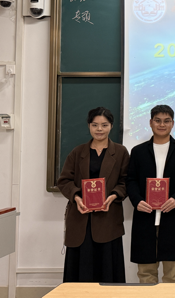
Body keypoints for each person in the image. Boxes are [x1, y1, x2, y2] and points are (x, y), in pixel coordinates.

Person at [57, 106, 129, 283]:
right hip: (81, 217)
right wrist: (77, 197)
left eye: (104, 125)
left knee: (107, 269)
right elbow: (64, 181)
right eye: (95, 125)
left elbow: (126, 181)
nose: (99, 129)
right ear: (89, 126)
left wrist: (114, 196)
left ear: (111, 126)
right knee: (81, 270)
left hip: (108, 218)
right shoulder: (77, 152)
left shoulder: (120, 152)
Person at [127, 105, 175, 283]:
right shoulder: (138, 151)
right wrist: (137, 201)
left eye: (166, 121)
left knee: (173, 274)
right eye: (157, 121)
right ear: (150, 122)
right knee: (145, 273)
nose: (162, 125)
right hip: (145, 216)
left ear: (173, 123)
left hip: (173, 216)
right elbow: (130, 180)